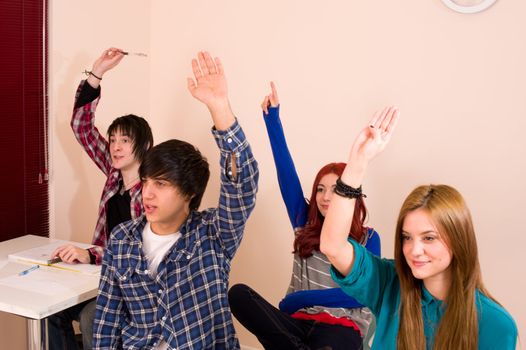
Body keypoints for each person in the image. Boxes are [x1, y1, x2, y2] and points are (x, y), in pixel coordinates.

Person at [92, 51, 259, 349]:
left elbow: (242, 184)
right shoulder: (121, 239)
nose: (148, 193)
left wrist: (220, 108)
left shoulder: (213, 235)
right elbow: (106, 322)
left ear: (189, 193)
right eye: (145, 182)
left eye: (161, 184)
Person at [320, 106, 518, 349]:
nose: (414, 250)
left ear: (458, 240)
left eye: (429, 238)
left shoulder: (496, 325)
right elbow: (332, 246)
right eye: (406, 237)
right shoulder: (389, 284)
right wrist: (357, 163)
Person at [228, 82, 380, 350]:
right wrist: (272, 119)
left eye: (335, 190)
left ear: (350, 195)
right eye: (320, 189)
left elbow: (363, 295)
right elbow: (286, 173)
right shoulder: (304, 225)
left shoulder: (368, 238)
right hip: (296, 325)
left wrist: (296, 300)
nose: (324, 197)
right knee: (239, 295)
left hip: (340, 327)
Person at [48, 47, 153, 350]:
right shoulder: (112, 173)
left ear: (144, 146)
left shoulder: (152, 193)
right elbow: (81, 127)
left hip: (137, 287)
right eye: (114, 140)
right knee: (54, 312)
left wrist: (91, 255)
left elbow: (140, 257)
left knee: (91, 317)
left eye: (125, 140)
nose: (116, 147)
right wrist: (97, 72)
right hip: (104, 276)